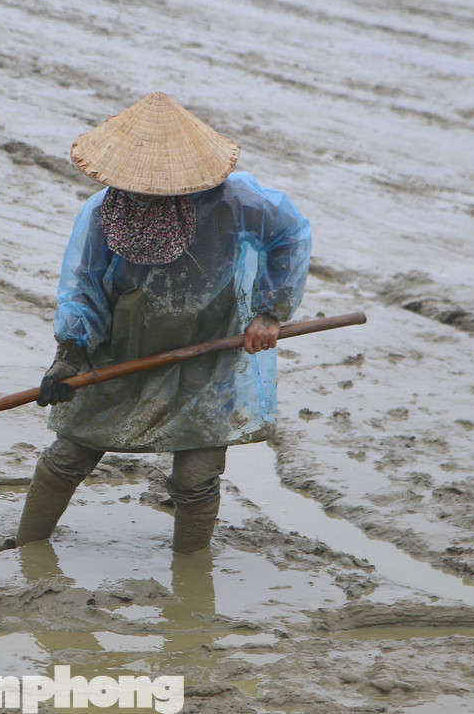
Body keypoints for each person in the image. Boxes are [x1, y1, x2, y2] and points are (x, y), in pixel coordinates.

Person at [16, 92, 311, 555]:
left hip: (207, 350)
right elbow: (82, 286)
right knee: (67, 457)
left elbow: (290, 236)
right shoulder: (103, 214)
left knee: (196, 479)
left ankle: (191, 570)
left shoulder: (238, 203)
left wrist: (270, 311)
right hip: (120, 348)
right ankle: (25, 546)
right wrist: (69, 354)